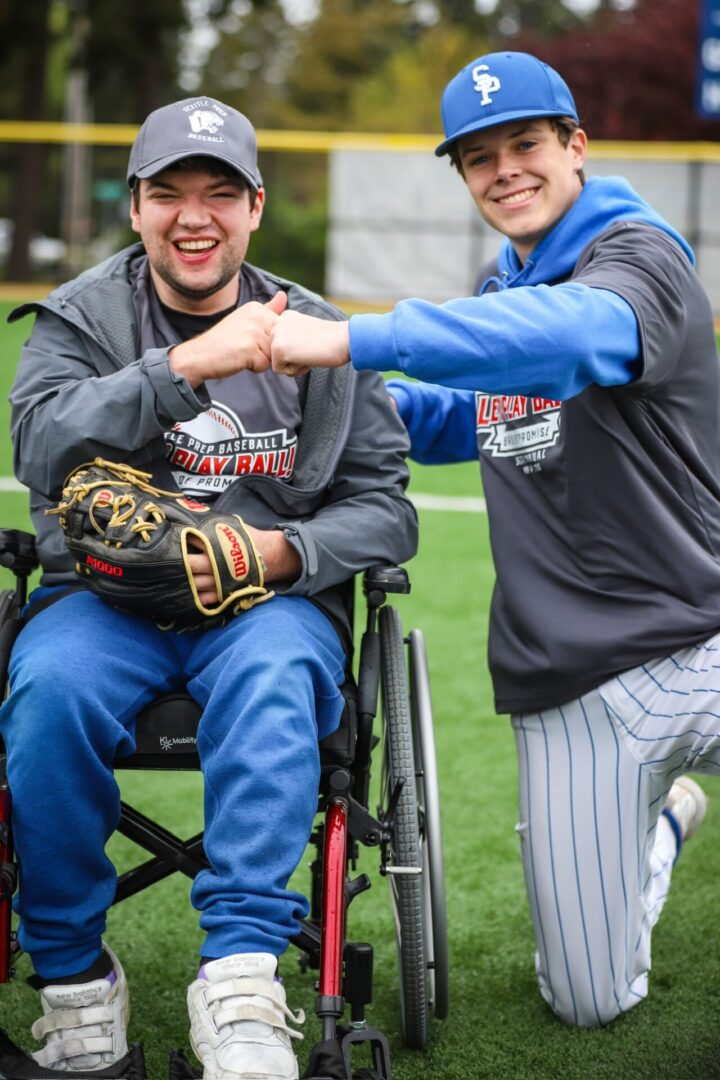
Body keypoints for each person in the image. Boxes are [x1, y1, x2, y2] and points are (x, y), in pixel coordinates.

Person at [270, 51, 720, 1028]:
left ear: (576, 148)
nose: (505, 169)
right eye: (480, 157)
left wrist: (351, 337)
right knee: (589, 1001)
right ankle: (656, 839)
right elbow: (441, 417)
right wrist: (294, 401)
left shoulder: (640, 256)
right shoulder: (497, 294)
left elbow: (570, 338)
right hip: (571, 685)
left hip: (703, 643)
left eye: (526, 144)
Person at [2, 96, 417, 1078]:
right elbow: (38, 446)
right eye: (169, 193)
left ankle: (238, 978)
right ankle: (72, 979)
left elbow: (386, 511)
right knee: (48, 690)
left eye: (219, 193)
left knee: (276, 685)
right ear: (137, 208)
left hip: (264, 608)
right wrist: (185, 366)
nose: (195, 214)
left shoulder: (316, 334)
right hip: (105, 606)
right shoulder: (81, 318)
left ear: (256, 208)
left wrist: (283, 557)